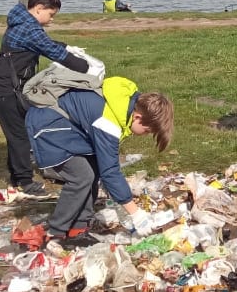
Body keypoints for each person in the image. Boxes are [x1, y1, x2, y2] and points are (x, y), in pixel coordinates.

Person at [24, 75, 173, 248]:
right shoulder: (108, 121)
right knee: (81, 176)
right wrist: (136, 213)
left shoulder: (125, 102)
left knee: (93, 170)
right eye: (147, 130)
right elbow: (110, 172)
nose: (145, 134)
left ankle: (78, 230)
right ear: (138, 117)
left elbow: (105, 168)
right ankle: (55, 233)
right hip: (47, 126)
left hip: (68, 126)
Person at [0, 0, 91, 196]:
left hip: (15, 86)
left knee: (24, 129)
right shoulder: (28, 28)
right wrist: (86, 68)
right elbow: (51, 50)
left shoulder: (24, 22)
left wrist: (67, 46)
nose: (51, 20)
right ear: (38, 8)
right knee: (19, 135)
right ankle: (24, 182)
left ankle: (20, 173)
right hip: (6, 89)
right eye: (51, 14)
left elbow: (46, 43)